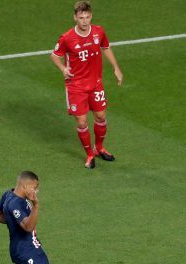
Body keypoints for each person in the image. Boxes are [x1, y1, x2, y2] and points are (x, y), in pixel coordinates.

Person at [50, 1, 123, 169]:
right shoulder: (67, 38)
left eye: (87, 17)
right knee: (82, 122)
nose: (85, 21)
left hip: (96, 84)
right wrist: (63, 68)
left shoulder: (98, 31)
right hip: (76, 86)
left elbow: (106, 47)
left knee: (101, 117)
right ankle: (90, 154)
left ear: (91, 16)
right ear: (75, 17)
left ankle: (100, 148)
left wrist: (116, 68)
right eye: (81, 17)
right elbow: (54, 56)